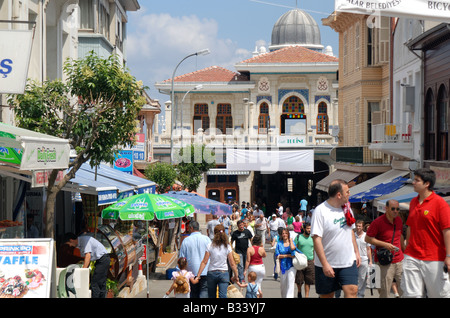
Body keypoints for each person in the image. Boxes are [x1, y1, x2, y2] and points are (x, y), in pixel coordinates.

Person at [401, 168, 450, 298]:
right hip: (412, 255)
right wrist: (407, 247)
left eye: (417, 180)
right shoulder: (413, 202)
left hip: (434, 257)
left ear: (427, 184)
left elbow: (447, 231)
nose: (413, 182)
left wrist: (449, 255)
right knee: (412, 295)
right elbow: (410, 226)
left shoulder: (440, 204)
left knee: (439, 295)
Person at [311, 179, 361, 298]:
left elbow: (351, 232)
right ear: (339, 195)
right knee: (327, 295)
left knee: (352, 290)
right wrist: (325, 264)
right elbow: (316, 239)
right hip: (327, 262)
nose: (349, 194)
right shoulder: (320, 211)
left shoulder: (347, 209)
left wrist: (356, 252)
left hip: (347, 261)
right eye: (347, 192)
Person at [365, 199, 404, 298]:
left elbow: (400, 236)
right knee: (384, 292)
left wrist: (404, 249)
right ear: (386, 208)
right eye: (393, 209)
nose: (396, 211)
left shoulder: (399, 220)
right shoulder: (377, 222)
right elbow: (367, 238)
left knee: (405, 289)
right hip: (385, 262)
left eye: (398, 209)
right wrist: (385, 244)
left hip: (399, 260)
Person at [197, 224, 239, 298]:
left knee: (211, 295)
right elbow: (232, 263)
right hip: (223, 272)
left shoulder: (210, 245)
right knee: (223, 295)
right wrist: (236, 275)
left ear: (214, 233)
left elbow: (204, 261)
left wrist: (198, 275)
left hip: (211, 273)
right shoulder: (227, 246)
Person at [69, 232, 110, 298]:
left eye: (69, 244)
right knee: (101, 283)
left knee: (95, 283)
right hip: (102, 259)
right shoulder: (81, 242)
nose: (70, 246)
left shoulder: (84, 240)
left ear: (71, 240)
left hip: (103, 259)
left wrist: (83, 271)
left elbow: (88, 256)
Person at [179, 221, 211, 298]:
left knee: (193, 292)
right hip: (205, 271)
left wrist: (180, 271)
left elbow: (182, 258)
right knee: (204, 290)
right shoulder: (207, 239)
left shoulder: (186, 240)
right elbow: (211, 254)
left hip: (191, 271)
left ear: (191, 228)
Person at [294, 222, 315, 298]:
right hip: (300, 261)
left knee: (308, 280)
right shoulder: (298, 237)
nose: (309, 230)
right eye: (308, 228)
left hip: (310, 261)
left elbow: (314, 249)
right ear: (304, 229)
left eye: (310, 228)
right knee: (299, 279)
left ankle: (306, 296)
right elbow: (294, 248)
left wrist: (314, 259)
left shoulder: (313, 238)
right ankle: (299, 292)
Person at [275, 228, 297, 298]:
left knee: (290, 285)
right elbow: (277, 255)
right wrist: (287, 255)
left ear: (288, 234)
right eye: (283, 233)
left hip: (292, 266)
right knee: (283, 286)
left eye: (286, 233)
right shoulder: (279, 244)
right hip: (283, 267)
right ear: (281, 235)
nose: (284, 235)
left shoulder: (292, 243)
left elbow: (293, 254)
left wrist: (290, 241)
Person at [355, 219, 372, 298]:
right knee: (355, 277)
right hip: (354, 259)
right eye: (357, 226)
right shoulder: (353, 235)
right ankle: (355, 293)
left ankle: (360, 294)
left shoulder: (366, 236)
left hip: (364, 259)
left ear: (362, 227)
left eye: (359, 226)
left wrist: (370, 261)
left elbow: (368, 249)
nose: (358, 227)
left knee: (362, 278)